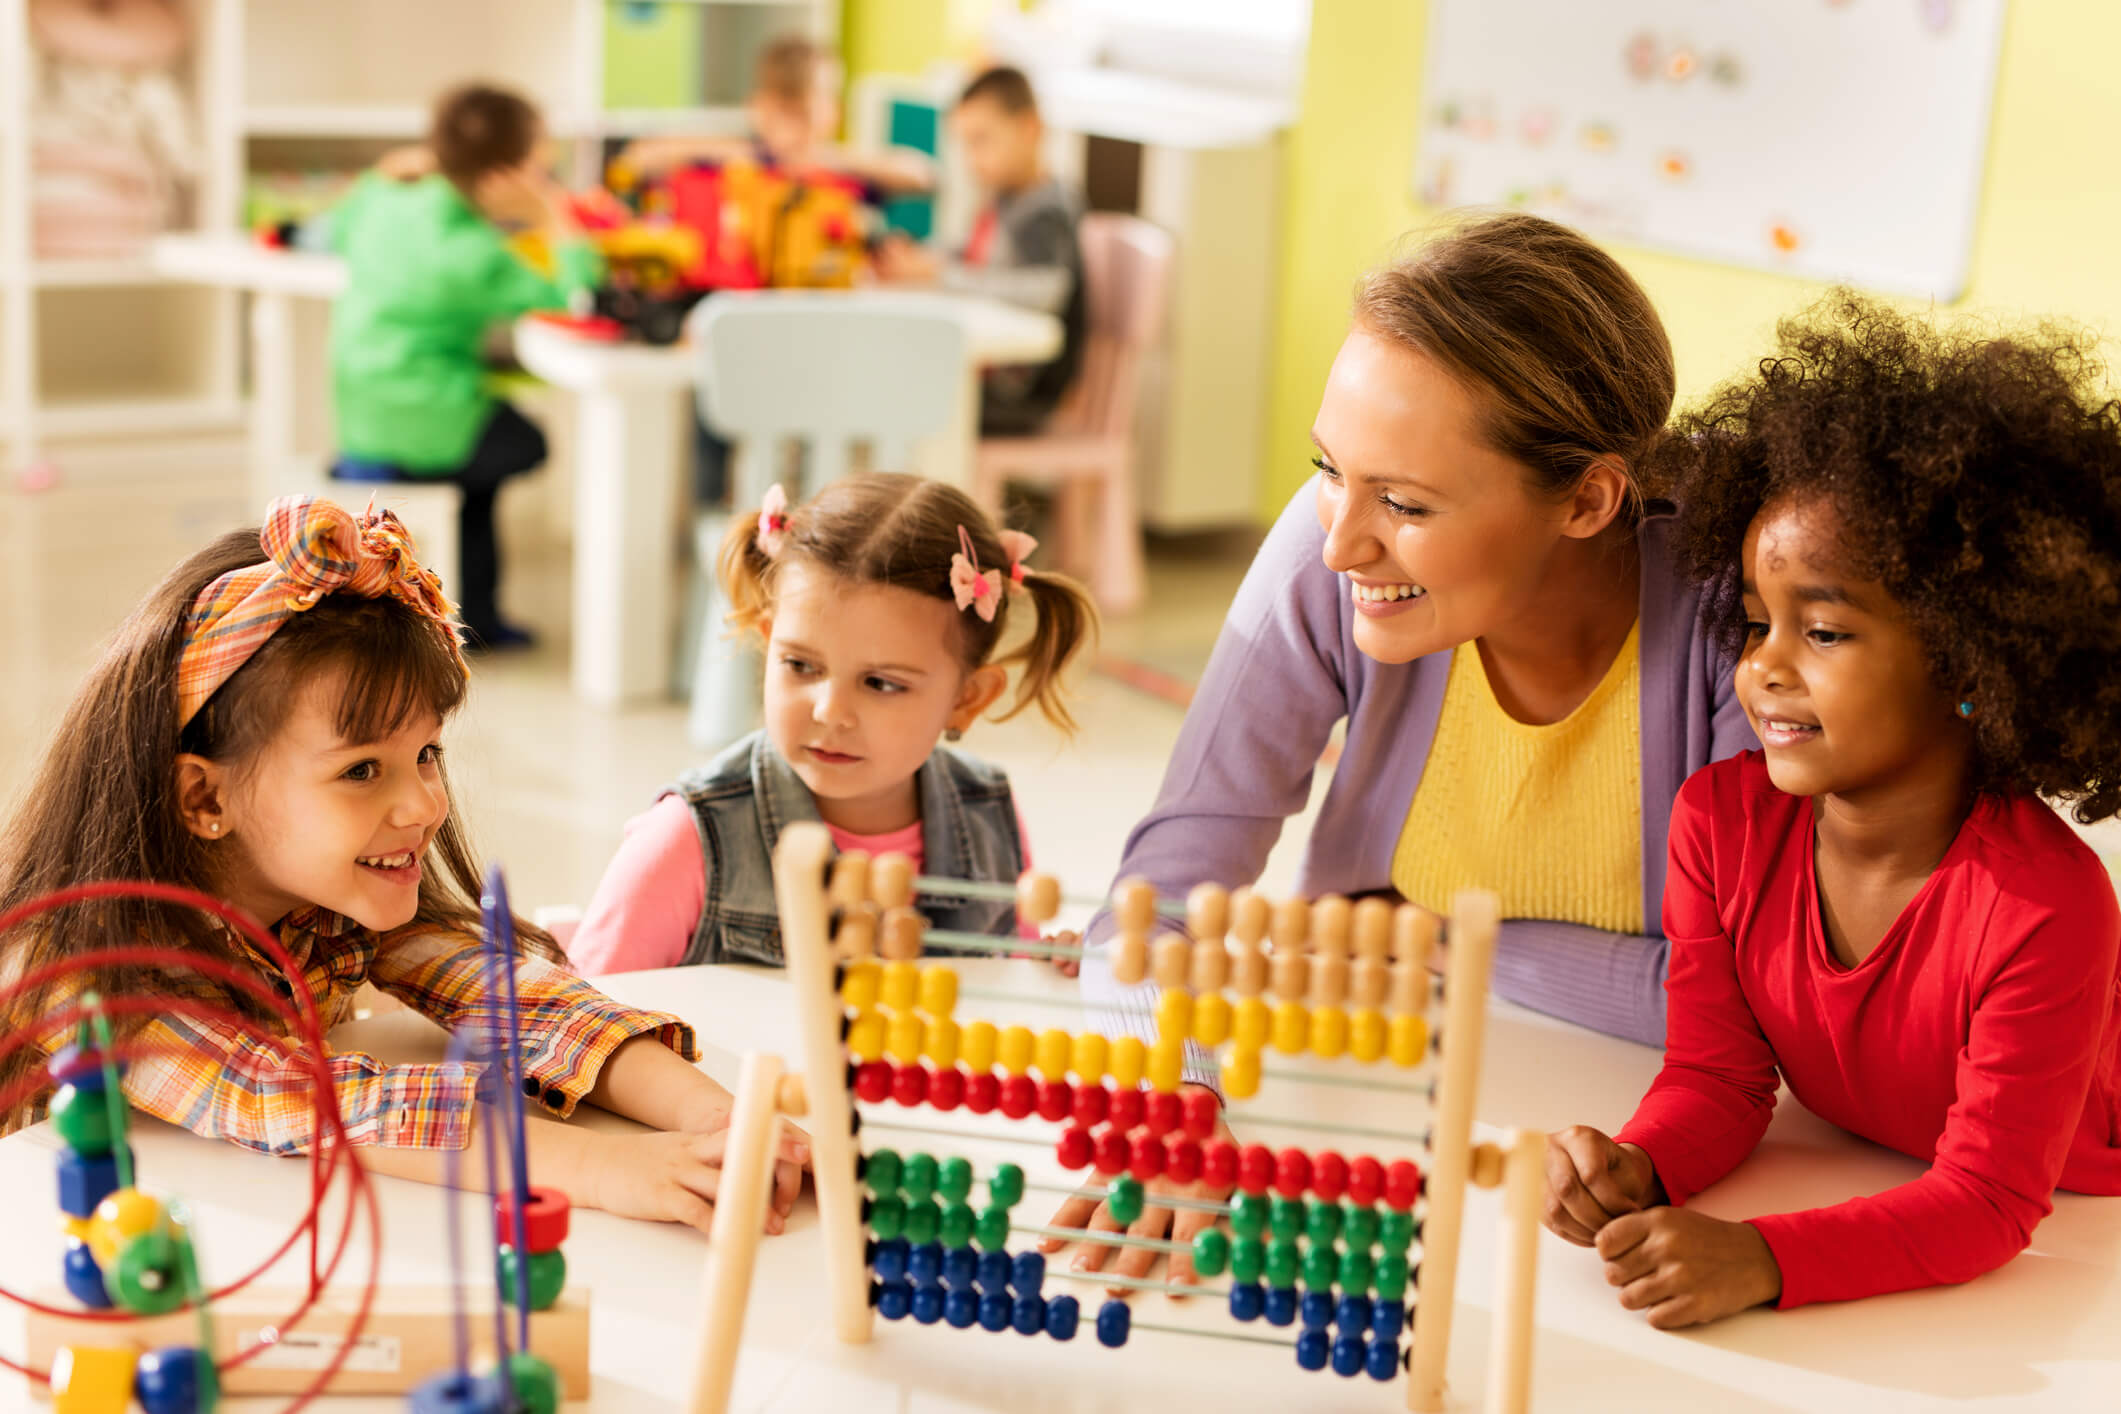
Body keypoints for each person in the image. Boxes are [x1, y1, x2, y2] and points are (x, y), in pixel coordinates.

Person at [1052, 213, 1753, 1292]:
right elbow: (1160, 896)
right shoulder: (1329, 549)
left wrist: (1425, 941)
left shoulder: (1733, 618)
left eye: (1406, 503)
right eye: (1330, 468)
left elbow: (1751, 1003)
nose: (1341, 541)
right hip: (1382, 1094)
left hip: (1636, 1141)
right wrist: (1170, 1102)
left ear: (1589, 498)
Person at [1543, 295, 2121, 1327]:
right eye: (1759, 623)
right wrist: (1641, 1164)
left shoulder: (2043, 902)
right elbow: (1718, 1078)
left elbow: (1988, 1199)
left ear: (1968, 660)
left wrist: (1759, 1258)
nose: (1761, 667)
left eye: (1824, 632)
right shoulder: (1717, 826)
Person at [0, 497, 805, 1235]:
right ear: (204, 799)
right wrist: (601, 1167)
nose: (424, 803)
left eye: (425, 753)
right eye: (361, 770)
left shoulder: (324, 894)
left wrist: (717, 1119)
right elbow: (288, 1099)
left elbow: (504, 991)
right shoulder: (100, 981)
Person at [566, 473, 1097, 975]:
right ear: (769, 641)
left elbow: (999, 993)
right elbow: (576, 1030)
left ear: (967, 699)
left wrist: (1045, 971)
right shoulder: (688, 839)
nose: (829, 711)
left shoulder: (987, 817)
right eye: (800, 665)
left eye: (881, 683)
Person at [329, 83, 602, 649]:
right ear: (502, 175)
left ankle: (474, 610)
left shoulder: (384, 198)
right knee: (523, 443)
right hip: (432, 422)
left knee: (479, 486)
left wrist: (394, 171)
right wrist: (552, 213)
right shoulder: (473, 254)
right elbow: (578, 295)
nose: (545, 167)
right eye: (538, 159)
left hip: (358, 413)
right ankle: (479, 617)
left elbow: (335, 225)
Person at [875, 65, 1085, 435]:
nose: (972, 158)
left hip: (1021, 390)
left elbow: (1047, 291)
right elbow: (973, 252)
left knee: (901, 393)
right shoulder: (1007, 198)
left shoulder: (1046, 209)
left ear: (1030, 129)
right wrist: (925, 259)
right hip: (994, 379)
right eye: (966, 144)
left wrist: (941, 276)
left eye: (982, 140)